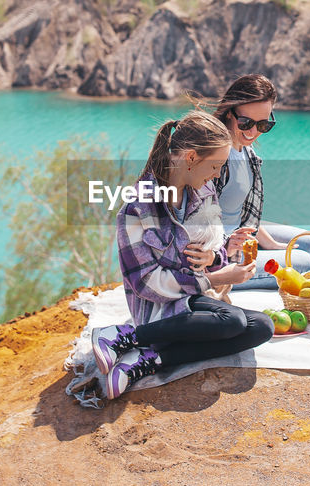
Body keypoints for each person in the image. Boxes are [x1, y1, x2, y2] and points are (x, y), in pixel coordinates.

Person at [93, 110, 274, 399]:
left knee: (262, 326)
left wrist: (219, 256)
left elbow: (214, 249)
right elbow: (146, 283)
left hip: (195, 304)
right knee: (233, 322)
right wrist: (212, 280)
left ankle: (149, 360)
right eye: (214, 166)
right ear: (191, 158)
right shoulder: (138, 208)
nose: (216, 175)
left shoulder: (203, 192)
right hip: (158, 313)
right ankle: (123, 336)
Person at [208, 74, 310, 290]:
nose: (253, 132)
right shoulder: (217, 156)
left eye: (263, 124)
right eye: (246, 123)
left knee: (305, 242)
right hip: (221, 253)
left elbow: (243, 212)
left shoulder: (245, 151)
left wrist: (270, 244)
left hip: (240, 232)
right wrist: (225, 247)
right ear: (230, 112)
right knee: (306, 263)